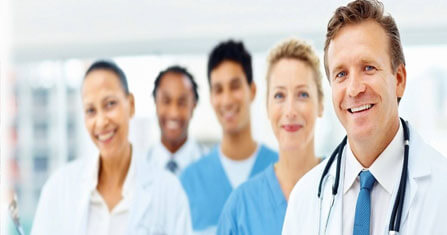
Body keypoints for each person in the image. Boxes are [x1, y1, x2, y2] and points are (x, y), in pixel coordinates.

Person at [282, 0, 447, 234]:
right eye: (341, 74)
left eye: (368, 68)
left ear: (399, 79)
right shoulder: (305, 199)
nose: (354, 89)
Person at [31, 60, 192, 235]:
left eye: (110, 104)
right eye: (91, 110)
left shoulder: (168, 191)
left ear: (130, 105)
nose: (101, 122)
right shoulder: (59, 188)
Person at [217, 38, 325, 235]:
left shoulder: (344, 190)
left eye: (302, 94)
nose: (290, 111)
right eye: (279, 96)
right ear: (267, 107)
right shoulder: (241, 207)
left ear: (321, 104)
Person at [180, 40, 278, 234]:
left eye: (235, 86)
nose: (226, 99)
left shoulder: (281, 171)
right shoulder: (189, 182)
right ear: (210, 98)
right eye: (218, 90)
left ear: (252, 91)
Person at [148, 65, 207, 176]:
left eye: (182, 102)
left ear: (193, 106)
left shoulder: (209, 164)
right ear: (155, 103)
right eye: (166, 101)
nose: (174, 113)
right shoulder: (139, 166)